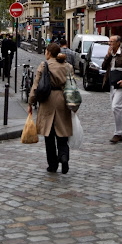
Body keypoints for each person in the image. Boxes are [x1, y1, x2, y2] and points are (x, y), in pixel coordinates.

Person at [28, 43, 73, 173]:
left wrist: (31, 102)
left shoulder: (44, 65)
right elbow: (72, 84)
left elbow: (36, 85)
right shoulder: (68, 66)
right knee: (62, 133)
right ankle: (64, 156)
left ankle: (52, 165)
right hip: (63, 100)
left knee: (49, 134)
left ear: (48, 52)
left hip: (48, 100)